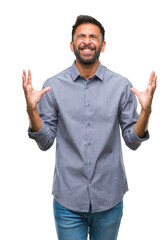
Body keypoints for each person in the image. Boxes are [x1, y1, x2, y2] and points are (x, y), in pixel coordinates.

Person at [22, 15, 157, 240]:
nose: (87, 41)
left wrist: (146, 111)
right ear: (72, 44)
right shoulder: (52, 87)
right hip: (68, 200)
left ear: (102, 45)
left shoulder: (121, 86)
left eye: (93, 37)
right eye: (81, 36)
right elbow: (45, 142)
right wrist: (31, 110)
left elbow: (132, 141)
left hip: (109, 198)